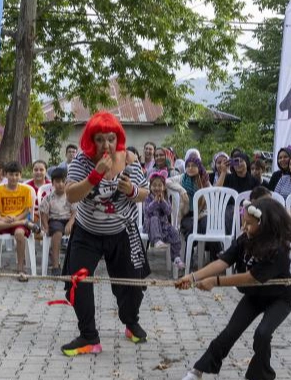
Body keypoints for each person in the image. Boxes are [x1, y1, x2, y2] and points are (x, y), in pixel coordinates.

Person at [175, 197, 291, 380]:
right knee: (230, 332)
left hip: (279, 297)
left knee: (263, 333)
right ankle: (198, 371)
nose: (244, 226)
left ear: (264, 224)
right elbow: (223, 261)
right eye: (244, 222)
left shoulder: (279, 250)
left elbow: (251, 278)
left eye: (249, 223)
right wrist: (193, 276)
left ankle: (259, 379)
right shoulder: (244, 240)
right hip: (254, 296)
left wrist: (215, 282)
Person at [60, 112, 151, 355]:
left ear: (118, 138)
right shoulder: (81, 161)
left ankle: (131, 322)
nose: (106, 145)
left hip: (122, 230)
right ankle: (89, 336)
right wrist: (95, 175)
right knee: (77, 281)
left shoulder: (129, 158)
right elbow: (71, 195)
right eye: (100, 139)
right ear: (91, 140)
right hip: (87, 230)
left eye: (111, 138)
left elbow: (145, 193)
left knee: (132, 283)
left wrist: (131, 190)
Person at [0, 162, 36, 281]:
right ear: (5, 175)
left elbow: (26, 210)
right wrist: (3, 219)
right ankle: (24, 223)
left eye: (16, 175)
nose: (13, 177)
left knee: (19, 234)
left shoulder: (26, 190)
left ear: (20, 175)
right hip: (3, 221)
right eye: (11, 174)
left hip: (18, 219)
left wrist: (17, 219)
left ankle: (20, 267)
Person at [143, 171, 184, 272]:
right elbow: (147, 210)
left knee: (174, 232)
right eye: (154, 185)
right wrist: (155, 201)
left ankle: (176, 258)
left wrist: (162, 202)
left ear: (164, 187)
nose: (157, 188)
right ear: (150, 187)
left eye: (160, 185)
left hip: (164, 227)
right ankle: (157, 241)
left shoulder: (165, 198)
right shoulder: (148, 198)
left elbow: (168, 211)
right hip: (150, 227)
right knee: (154, 218)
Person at [41, 167, 75, 274]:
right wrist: (46, 227)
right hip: (55, 220)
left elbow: (75, 212)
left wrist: (70, 223)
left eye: (63, 181)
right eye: (57, 181)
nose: (60, 184)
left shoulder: (71, 196)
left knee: (82, 231)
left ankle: (76, 264)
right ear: (52, 183)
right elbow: (44, 213)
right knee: (57, 234)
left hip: (69, 219)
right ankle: (55, 265)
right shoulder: (48, 198)